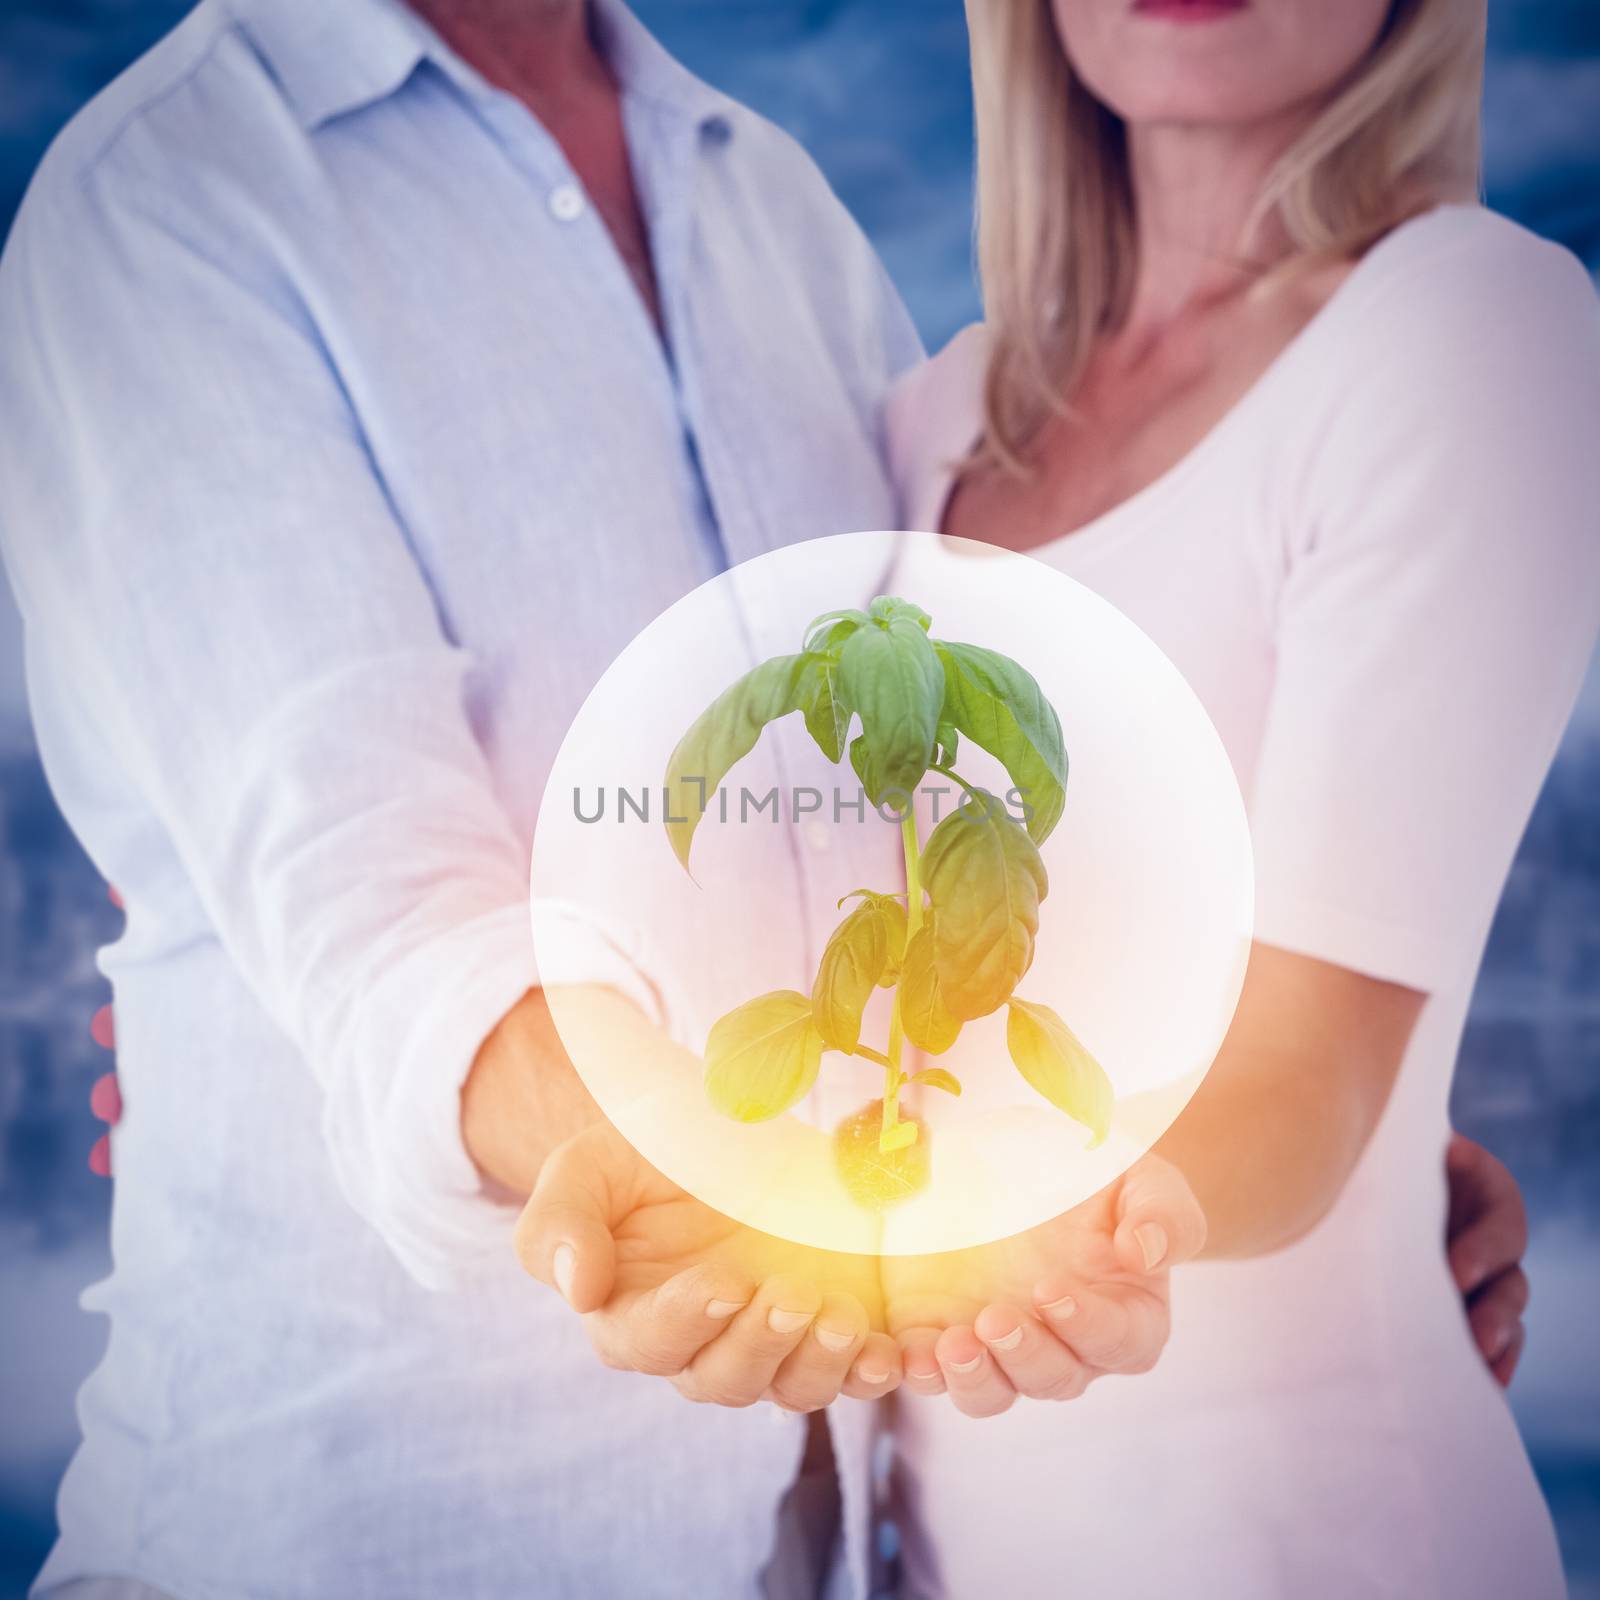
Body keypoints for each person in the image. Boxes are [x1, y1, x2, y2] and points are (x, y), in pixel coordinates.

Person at [0, 1, 1544, 1597]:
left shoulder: (773, 213)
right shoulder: (166, 201)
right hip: (353, 1542)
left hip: (821, 1551)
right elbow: (371, 905)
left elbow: (918, 810)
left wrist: (1335, 1136)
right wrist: (650, 1158)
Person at [872, 0, 1600, 1593]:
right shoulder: (937, 416)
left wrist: (972, 1236)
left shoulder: (1466, 330)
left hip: (1306, 1541)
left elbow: (1303, 1077)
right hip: (943, 1545)